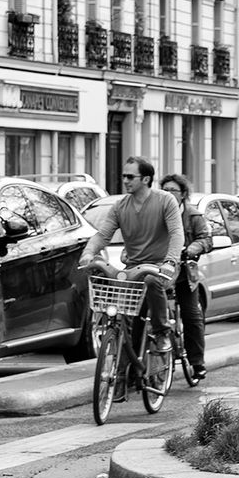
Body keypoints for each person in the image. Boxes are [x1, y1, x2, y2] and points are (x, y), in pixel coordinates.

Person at [80, 157, 184, 352]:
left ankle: (162, 332)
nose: (125, 180)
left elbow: (177, 233)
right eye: (123, 176)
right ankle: (123, 367)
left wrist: (170, 261)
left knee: (152, 282)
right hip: (133, 268)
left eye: (130, 176)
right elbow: (103, 235)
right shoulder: (120, 206)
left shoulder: (165, 200)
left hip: (161, 267)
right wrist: (88, 254)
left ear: (145, 179)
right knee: (123, 314)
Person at [160, 174, 213, 381]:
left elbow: (206, 240)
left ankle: (197, 363)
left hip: (184, 275)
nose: (168, 194)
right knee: (148, 315)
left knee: (192, 316)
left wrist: (192, 248)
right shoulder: (157, 213)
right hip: (160, 272)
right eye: (164, 190)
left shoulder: (193, 216)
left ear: (183, 194)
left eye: (172, 190)